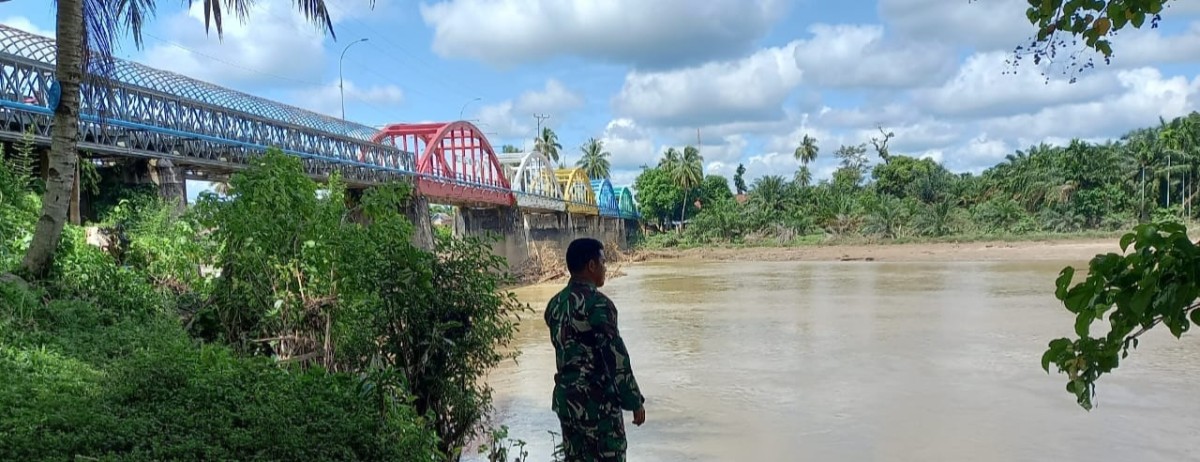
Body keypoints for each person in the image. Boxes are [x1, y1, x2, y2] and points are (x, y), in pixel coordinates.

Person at [544, 238, 646, 461]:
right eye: (603, 262)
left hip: (567, 404)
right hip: (598, 406)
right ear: (591, 265)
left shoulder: (555, 305)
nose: (605, 268)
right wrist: (634, 400)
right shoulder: (598, 304)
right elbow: (615, 357)